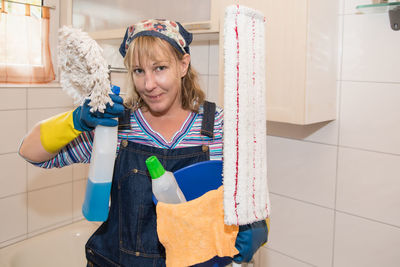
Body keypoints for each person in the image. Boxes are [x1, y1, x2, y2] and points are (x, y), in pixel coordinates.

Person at [19, 19, 266, 266]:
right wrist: (75, 120)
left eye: (159, 68)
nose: (149, 85)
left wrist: (254, 222)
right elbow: (30, 152)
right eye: (139, 71)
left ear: (183, 65)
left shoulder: (217, 127)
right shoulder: (116, 127)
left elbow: (245, 193)